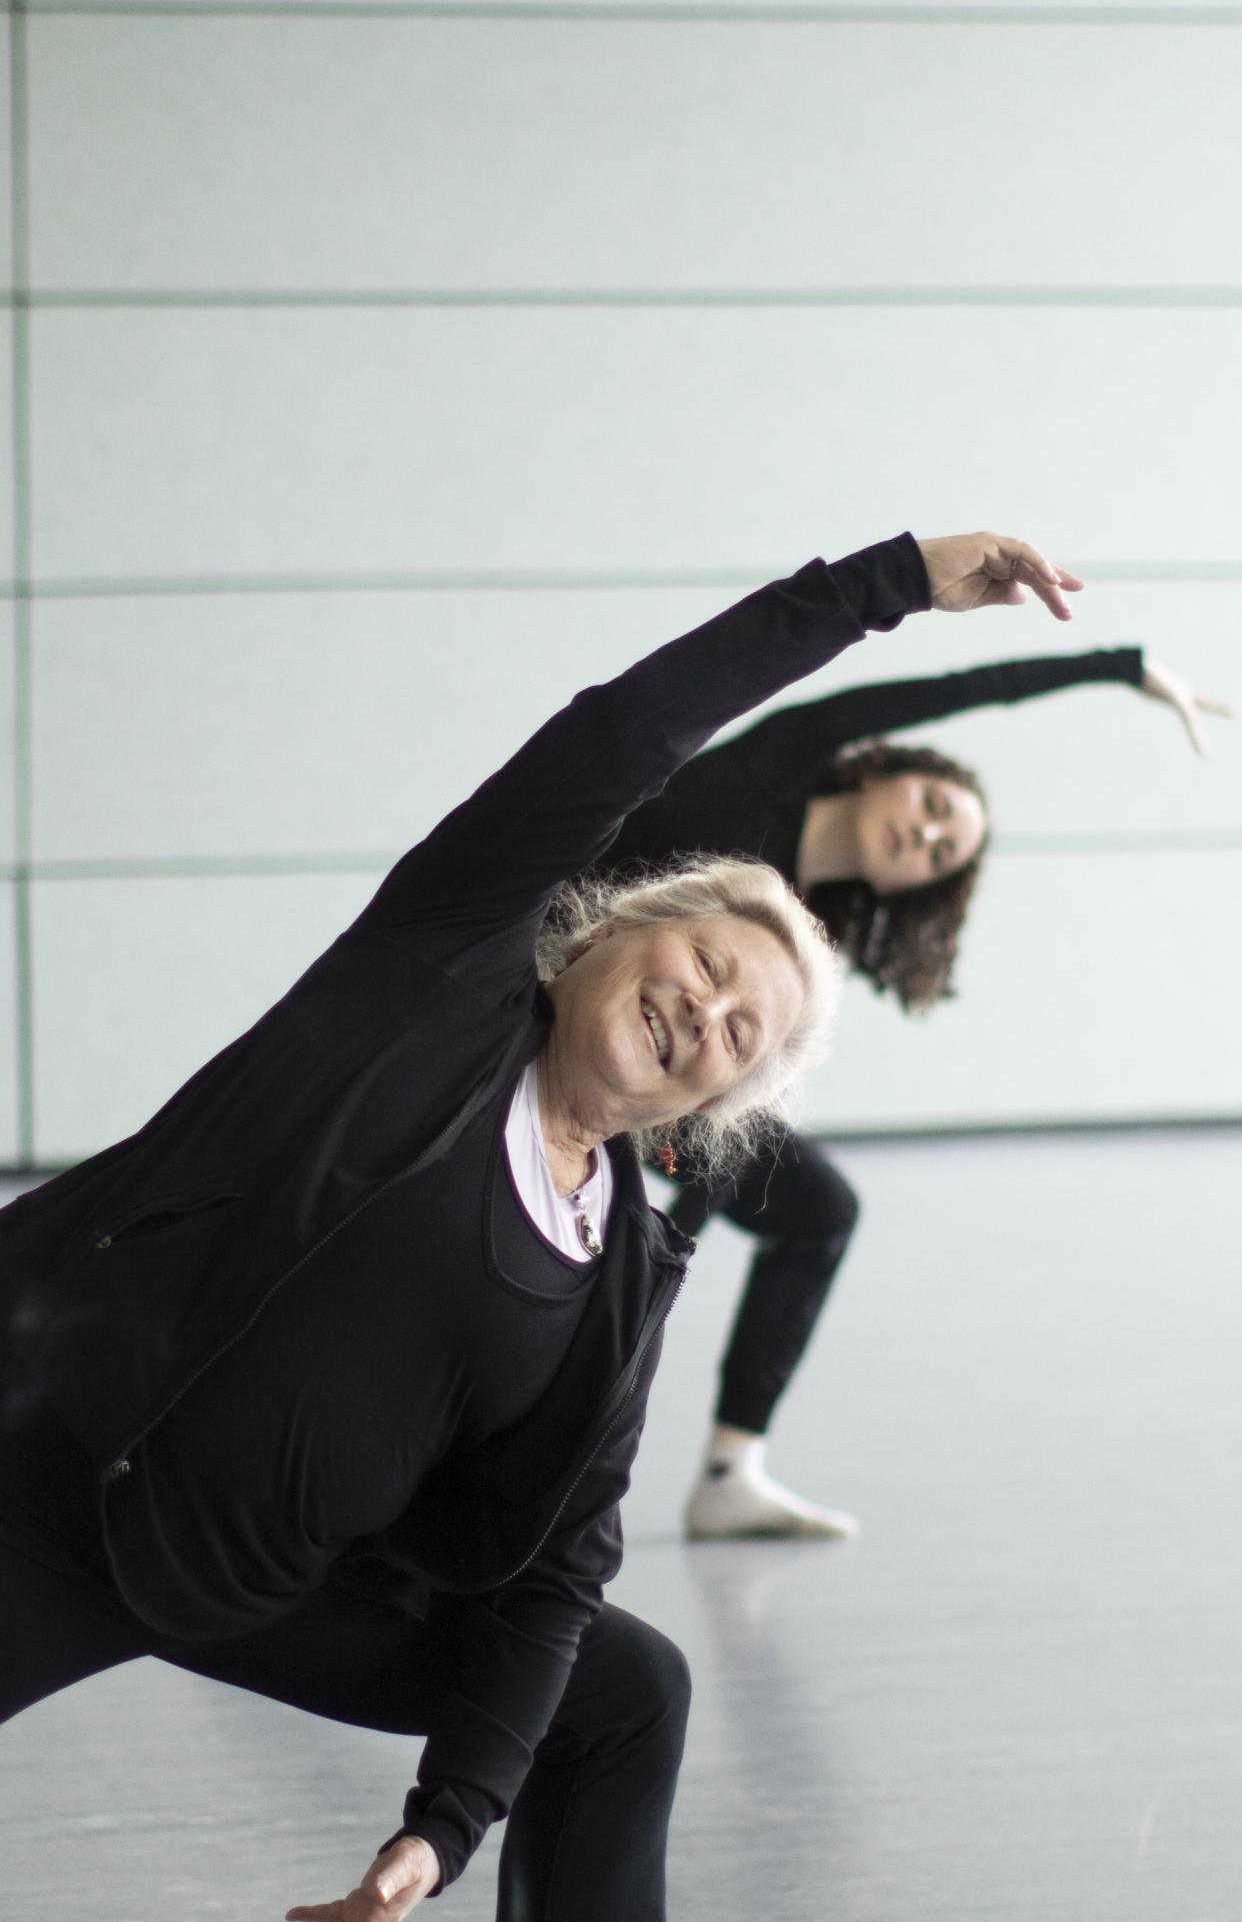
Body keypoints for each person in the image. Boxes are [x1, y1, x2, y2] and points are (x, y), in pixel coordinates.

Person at [0, 527, 1079, 1921]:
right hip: (54, 1469)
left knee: (628, 1694)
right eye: (703, 963)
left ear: (715, 1101)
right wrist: (887, 585)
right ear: (610, 931)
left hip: (254, 1578)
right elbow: (624, 731)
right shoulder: (439, 968)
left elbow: (558, 1570)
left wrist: (440, 1829)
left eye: (739, 1032)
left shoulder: (618, 1267)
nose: (704, 1010)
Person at [600, 645, 1227, 1540]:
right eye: (933, 808)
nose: (926, 837)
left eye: (942, 853)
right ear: (888, 770)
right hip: (549, 1017)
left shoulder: (805, 933)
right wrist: (1118, 667)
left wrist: (669, 1246)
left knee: (818, 1209)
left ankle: (729, 1473)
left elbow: (727, 1105)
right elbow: (955, 690)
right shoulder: (775, 765)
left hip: (658, 1087)